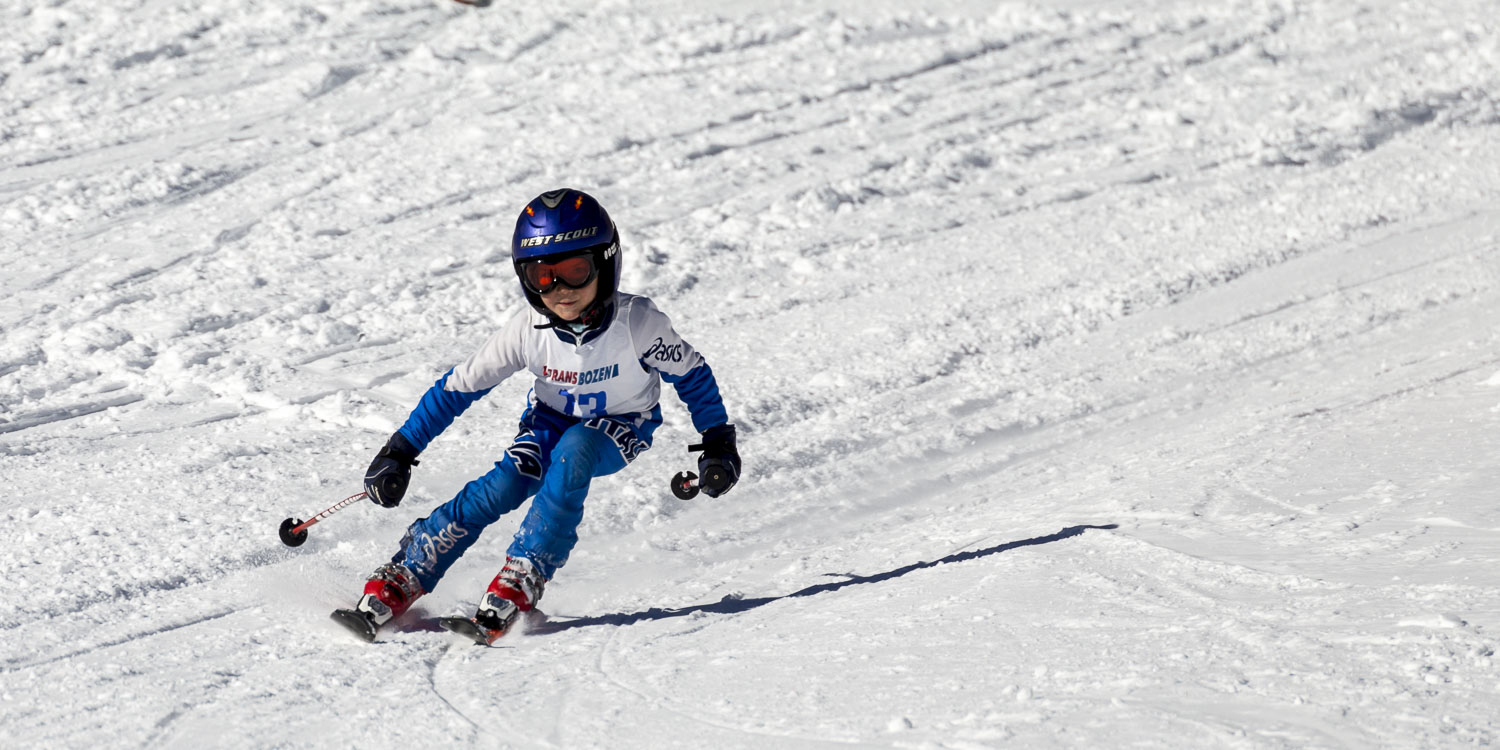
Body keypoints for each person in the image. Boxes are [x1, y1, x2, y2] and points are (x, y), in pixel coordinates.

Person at [337, 188, 740, 644]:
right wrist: (401, 449)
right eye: (542, 276)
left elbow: (692, 374)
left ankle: (526, 570)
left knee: (577, 448)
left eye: (574, 271)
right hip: (548, 421)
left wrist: (717, 443)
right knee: (506, 483)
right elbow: (458, 387)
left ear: (605, 265)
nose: (560, 291)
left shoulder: (638, 323)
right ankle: (411, 566)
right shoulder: (527, 330)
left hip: (624, 426)